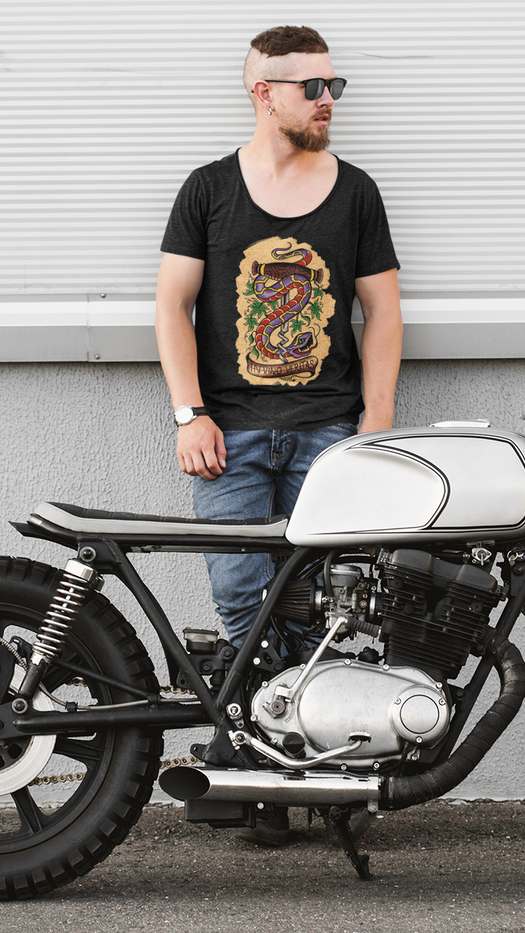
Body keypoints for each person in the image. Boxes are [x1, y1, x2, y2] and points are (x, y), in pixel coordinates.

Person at [155, 25, 403, 651]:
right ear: (265, 93)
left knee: (321, 604)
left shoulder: (356, 193)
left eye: (334, 85)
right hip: (228, 434)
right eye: (313, 86)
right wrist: (190, 416)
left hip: (327, 433)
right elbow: (170, 307)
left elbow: (383, 311)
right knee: (239, 597)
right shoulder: (209, 190)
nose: (329, 99)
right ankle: (257, 734)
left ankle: (297, 732)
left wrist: (377, 418)